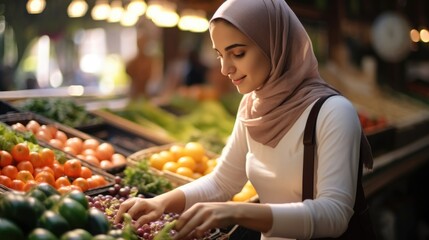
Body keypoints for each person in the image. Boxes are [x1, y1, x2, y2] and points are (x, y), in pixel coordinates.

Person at [115, 0, 373, 239]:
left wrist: (236, 212)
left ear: (274, 44)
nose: (225, 69)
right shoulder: (252, 104)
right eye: (219, 55)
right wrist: (160, 202)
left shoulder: (333, 112)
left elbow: (335, 215)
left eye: (237, 54)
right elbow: (223, 181)